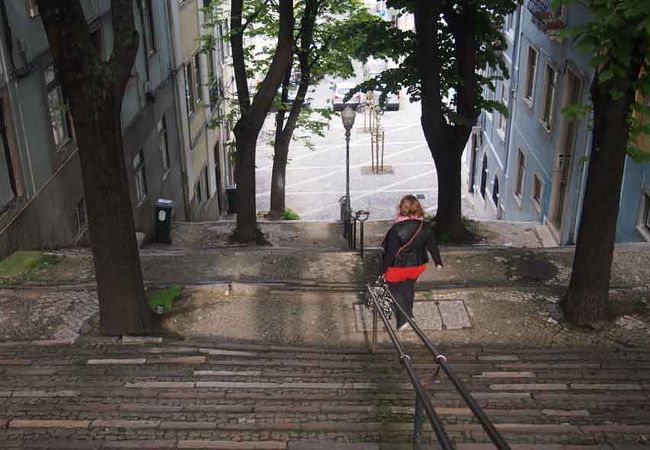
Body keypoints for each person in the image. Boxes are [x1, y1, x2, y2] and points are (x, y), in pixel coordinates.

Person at [380, 195, 443, 331]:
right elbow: (432, 246)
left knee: (394, 290)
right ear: (419, 208)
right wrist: (438, 262)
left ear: (401, 208)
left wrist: (383, 270)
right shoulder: (425, 227)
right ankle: (410, 315)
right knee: (408, 289)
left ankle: (403, 320)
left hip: (398, 267)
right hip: (417, 265)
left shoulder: (396, 230)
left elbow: (390, 253)